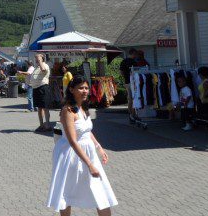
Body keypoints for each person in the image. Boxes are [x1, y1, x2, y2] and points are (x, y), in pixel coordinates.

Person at [46, 74, 117, 215]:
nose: (85, 91)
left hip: (87, 152)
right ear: (71, 89)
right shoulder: (68, 110)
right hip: (70, 155)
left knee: (100, 190)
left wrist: (99, 147)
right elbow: (73, 140)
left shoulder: (83, 108)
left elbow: (86, 131)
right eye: (80, 88)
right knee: (66, 192)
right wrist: (90, 164)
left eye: (86, 88)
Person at [29, 53, 52, 132]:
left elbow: (43, 70)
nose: (36, 60)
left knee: (45, 107)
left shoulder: (45, 65)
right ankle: (41, 125)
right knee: (39, 108)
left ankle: (48, 125)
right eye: (36, 58)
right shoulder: (37, 67)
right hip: (36, 88)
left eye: (38, 58)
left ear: (42, 59)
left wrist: (40, 61)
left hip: (43, 88)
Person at [119, 49, 137, 121]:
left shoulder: (123, 61)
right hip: (134, 82)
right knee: (134, 98)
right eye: (135, 54)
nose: (136, 56)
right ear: (133, 53)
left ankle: (131, 115)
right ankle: (134, 114)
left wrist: (125, 78)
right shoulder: (134, 62)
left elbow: (121, 72)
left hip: (127, 82)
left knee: (130, 99)